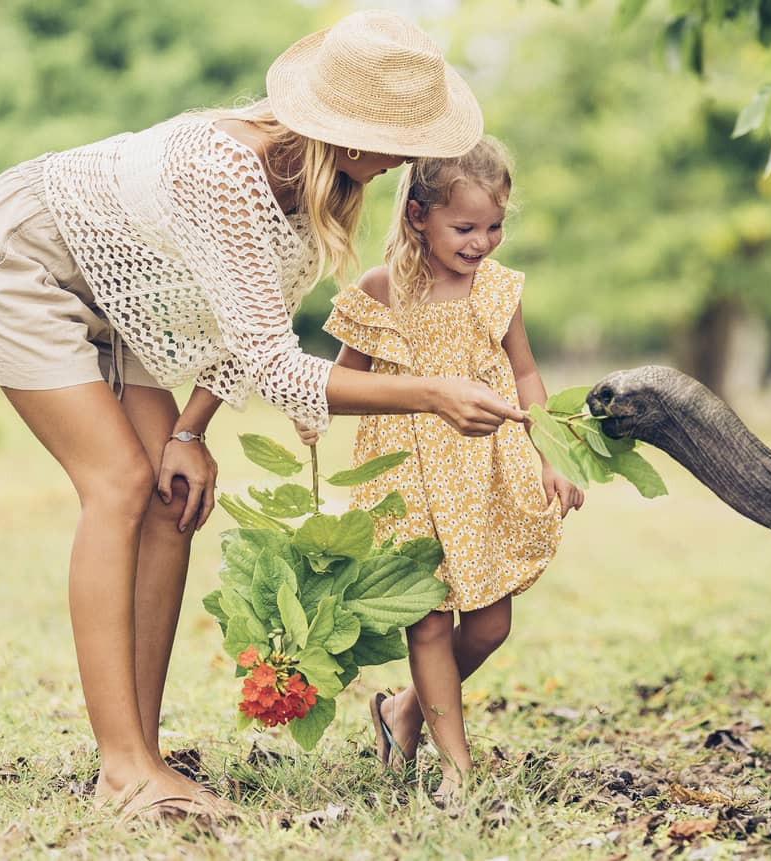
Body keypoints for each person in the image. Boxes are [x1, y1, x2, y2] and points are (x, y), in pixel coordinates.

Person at [0, 10, 524, 820]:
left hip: (123, 296)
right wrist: (431, 390)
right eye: (400, 143)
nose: (407, 164)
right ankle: (123, 770)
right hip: (23, 260)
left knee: (173, 502)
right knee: (118, 483)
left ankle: (142, 748)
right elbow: (281, 371)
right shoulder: (226, 168)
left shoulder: (317, 193)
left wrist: (189, 430)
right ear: (348, 134)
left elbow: (243, 335)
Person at [317, 137, 582, 807]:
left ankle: (402, 711)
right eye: (465, 227)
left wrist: (554, 455)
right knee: (429, 622)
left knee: (490, 625)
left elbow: (524, 372)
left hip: (484, 475)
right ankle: (456, 766)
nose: (482, 241)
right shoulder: (383, 291)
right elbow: (339, 382)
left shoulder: (497, 289)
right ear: (417, 216)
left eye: (494, 226)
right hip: (406, 476)